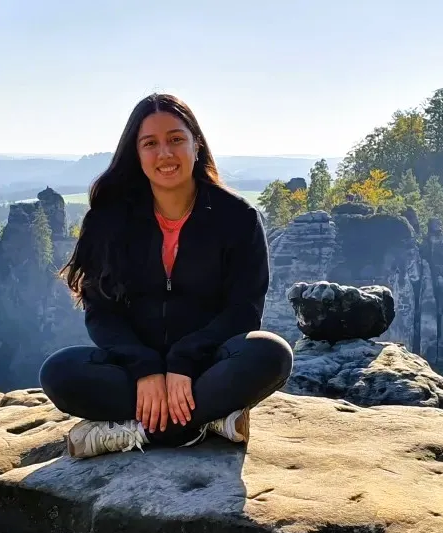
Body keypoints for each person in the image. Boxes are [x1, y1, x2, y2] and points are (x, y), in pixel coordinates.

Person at [39, 93, 293, 458]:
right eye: (150, 143)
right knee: (59, 372)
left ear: (196, 144)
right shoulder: (109, 219)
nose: (165, 154)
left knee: (271, 354)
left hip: (205, 367)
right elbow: (101, 312)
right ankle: (206, 420)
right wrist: (145, 369)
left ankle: (135, 430)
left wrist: (182, 363)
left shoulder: (237, 219)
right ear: (136, 153)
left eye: (175, 139)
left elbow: (244, 311)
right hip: (135, 372)